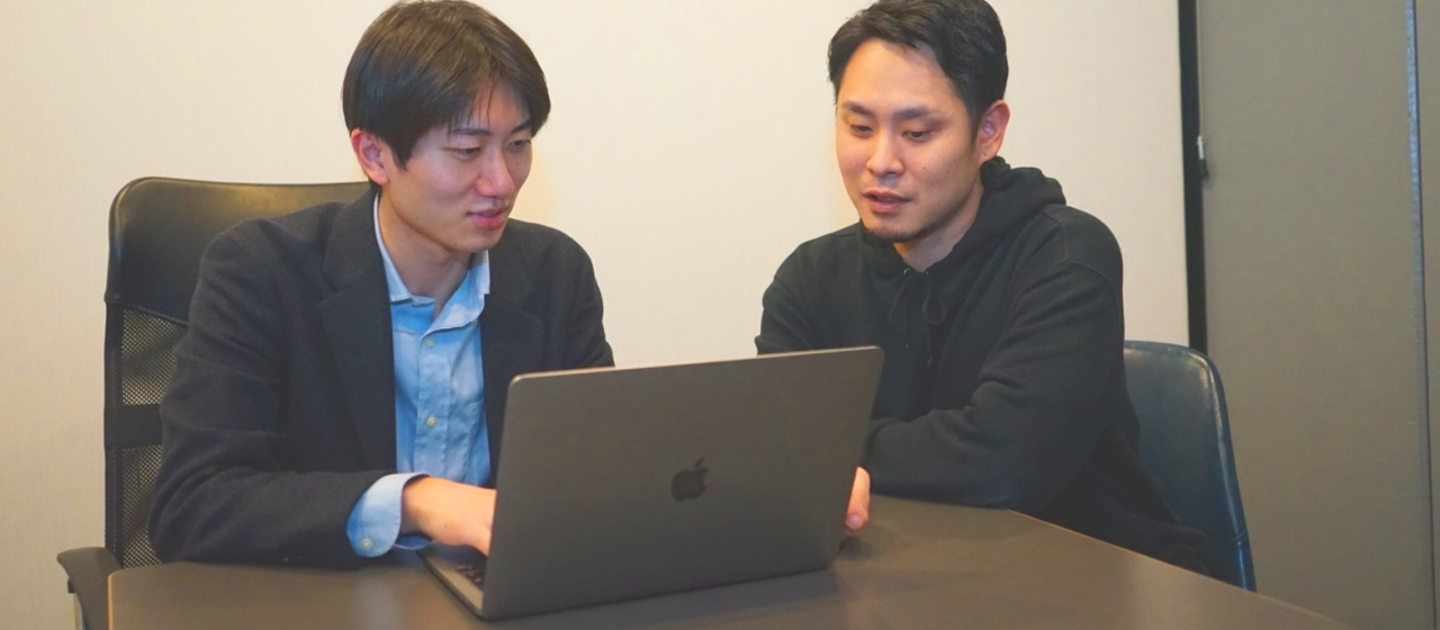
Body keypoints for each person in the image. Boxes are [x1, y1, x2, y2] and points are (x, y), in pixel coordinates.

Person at [148, 0, 613, 568]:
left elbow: (597, 480)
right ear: (375, 155)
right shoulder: (259, 272)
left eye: (518, 144)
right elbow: (192, 505)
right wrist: (415, 501)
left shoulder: (555, 275)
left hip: (494, 599)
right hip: (326, 602)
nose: (501, 181)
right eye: (467, 151)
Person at [757, 0, 1205, 568]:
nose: (881, 160)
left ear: (988, 131)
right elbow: (778, 452)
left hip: (1088, 576)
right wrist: (811, 456)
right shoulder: (809, 279)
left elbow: (1005, 462)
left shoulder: (1065, 257)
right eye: (860, 127)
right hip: (906, 577)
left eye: (917, 132)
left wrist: (844, 448)